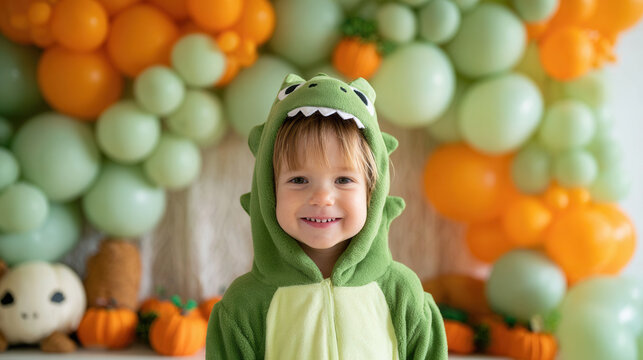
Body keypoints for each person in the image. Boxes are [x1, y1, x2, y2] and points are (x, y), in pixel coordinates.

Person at [206, 73, 447, 359]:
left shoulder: (402, 294)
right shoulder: (244, 306)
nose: (322, 198)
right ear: (269, 192)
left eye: (343, 180)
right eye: (298, 180)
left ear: (373, 192)